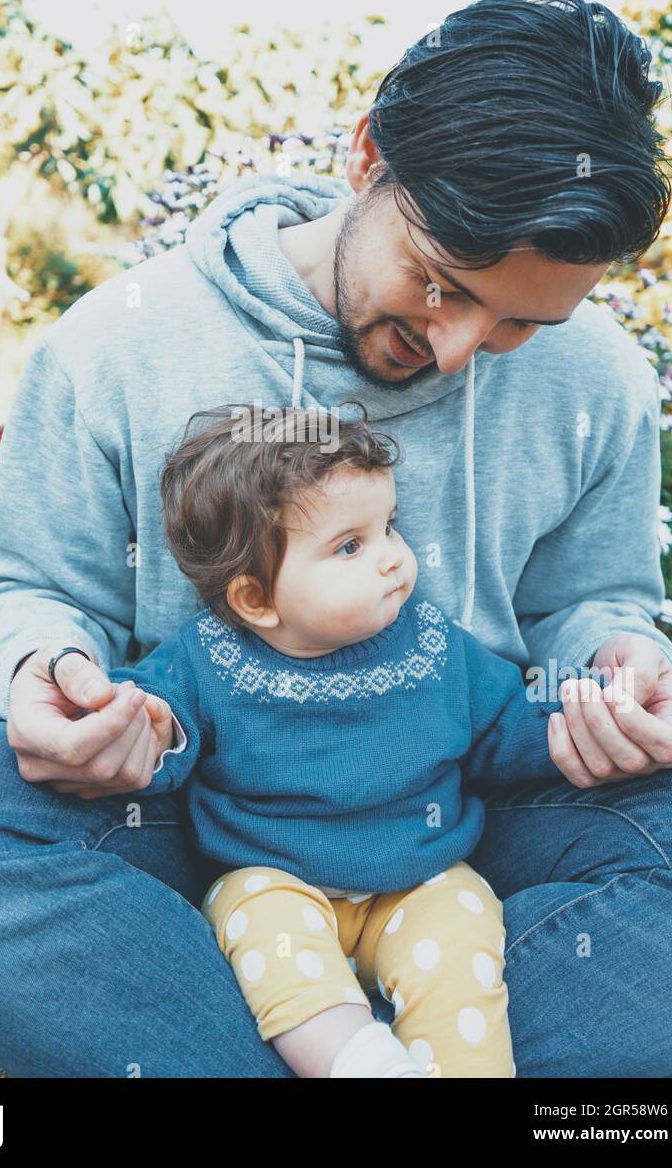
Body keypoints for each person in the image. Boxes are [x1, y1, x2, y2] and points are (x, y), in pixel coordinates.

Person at [0, 0, 672, 1080]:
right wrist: (46, 670)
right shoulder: (120, 347)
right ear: (366, 157)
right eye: (439, 284)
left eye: (517, 323)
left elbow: (591, 600)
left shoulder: (601, 381)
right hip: (198, 810)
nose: (456, 350)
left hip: (478, 793)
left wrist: (620, 662)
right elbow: (31, 588)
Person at [112, 401, 588, 1079]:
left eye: (389, 527)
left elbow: (507, 724)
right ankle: (360, 1061)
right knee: (262, 928)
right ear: (256, 600)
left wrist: (577, 720)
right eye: (350, 546)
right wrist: (146, 726)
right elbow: (156, 727)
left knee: (463, 929)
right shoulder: (205, 661)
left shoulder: (434, 646)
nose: (394, 559)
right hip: (275, 880)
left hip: (418, 879)